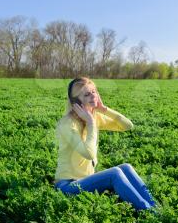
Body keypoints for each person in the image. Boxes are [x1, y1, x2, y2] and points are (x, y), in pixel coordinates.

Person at [53, 77, 156, 211]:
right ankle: (149, 212)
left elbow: (127, 125)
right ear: (76, 103)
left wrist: (104, 109)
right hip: (67, 185)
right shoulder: (68, 124)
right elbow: (89, 154)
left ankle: (156, 208)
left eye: (94, 91)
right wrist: (90, 123)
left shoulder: (94, 116)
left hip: (86, 180)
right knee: (114, 173)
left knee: (126, 167)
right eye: (86, 94)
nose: (93, 95)